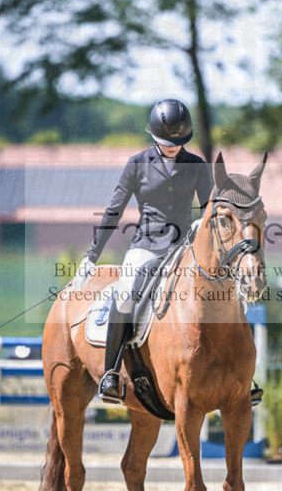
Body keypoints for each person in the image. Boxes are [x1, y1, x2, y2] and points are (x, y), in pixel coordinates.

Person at [71, 98, 213, 402]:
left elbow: (210, 208)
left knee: (218, 292)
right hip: (146, 245)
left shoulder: (197, 166)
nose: (173, 147)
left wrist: (203, 224)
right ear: (154, 135)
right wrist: (91, 256)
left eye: (179, 142)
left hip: (184, 247)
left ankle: (238, 374)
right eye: (167, 142)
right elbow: (114, 211)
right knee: (125, 295)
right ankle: (111, 373)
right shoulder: (137, 164)